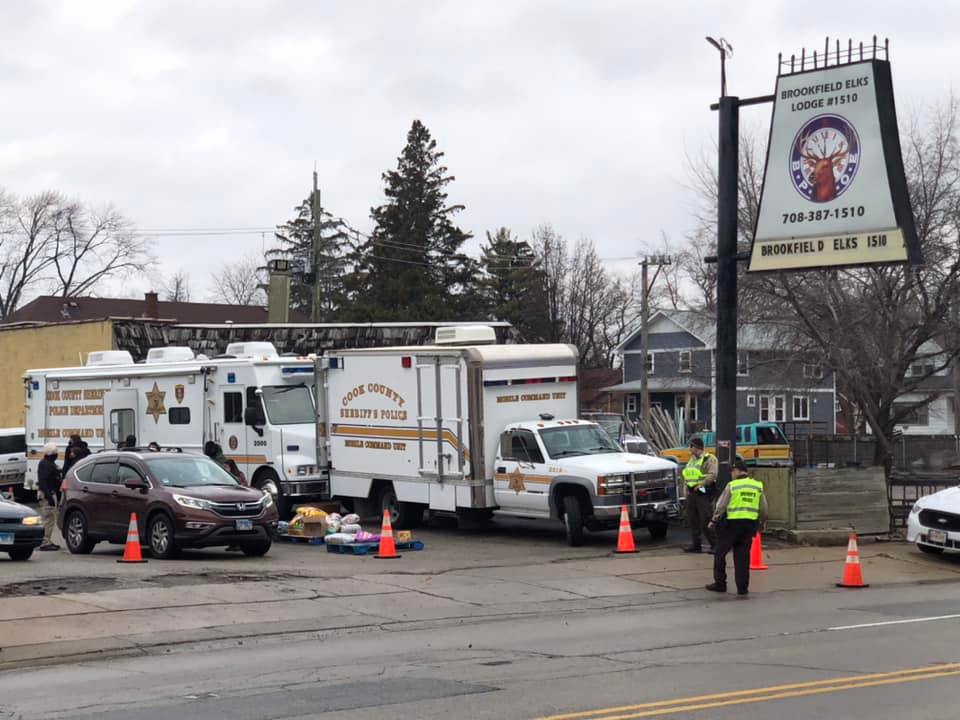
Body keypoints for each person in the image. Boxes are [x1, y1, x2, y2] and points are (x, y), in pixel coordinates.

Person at [706, 460, 768, 596]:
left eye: (732, 471)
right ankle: (742, 588)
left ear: (738, 471)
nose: (731, 474)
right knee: (742, 558)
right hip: (749, 526)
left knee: (720, 553)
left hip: (731, 525)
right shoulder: (757, 486)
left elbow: (721, 506)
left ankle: (720, 584)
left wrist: (714, 520)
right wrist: (762, 523)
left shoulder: (732, 486)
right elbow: (764, 508)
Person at [682, 437, 718, 553]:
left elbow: (713, 475)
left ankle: (715, 544)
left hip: (703, 491)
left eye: (691, 446)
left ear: (697, 447)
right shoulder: (691, 460)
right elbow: (687, 476)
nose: (689, 449)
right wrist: (686, 491)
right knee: (693, 520)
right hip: (692, 492)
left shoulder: (709, 458)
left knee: (706, 519)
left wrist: (701, 484)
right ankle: (696, 545)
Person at [37, 442, 62, 551]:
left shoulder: (48, 463)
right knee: (48, 519)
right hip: (47, 494)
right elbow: (43, 482)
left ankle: (47, 540)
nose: (57, 455)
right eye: (55, 453)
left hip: (50, 493)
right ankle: (45, 541)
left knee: (50, 519)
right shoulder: (45, 464)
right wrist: (49, 496)